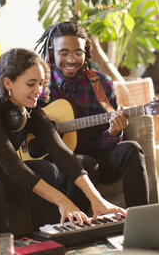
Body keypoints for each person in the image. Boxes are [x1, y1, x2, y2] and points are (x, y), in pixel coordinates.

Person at [0, 48, 125, 238]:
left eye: (41, 83)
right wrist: (63, 200)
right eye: (31, 84)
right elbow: (12, 165)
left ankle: (49, 241)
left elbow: (63, 154)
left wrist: (97, 200)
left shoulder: (31, 110)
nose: (38, 90)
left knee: (48, 169)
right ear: (8, 83)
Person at [35, 22, 149, 210]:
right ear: (51, 52)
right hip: (58, 163)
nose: (71, 60)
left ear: (86, 52)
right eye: (64, 53)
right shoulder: (40, 85)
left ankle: (142, 219)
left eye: (78, 53)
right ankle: (74, 229)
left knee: (132, 149)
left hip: (97, 157)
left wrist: (113, 132)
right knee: (86, 164)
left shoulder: (101, 84)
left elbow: (102, 142)